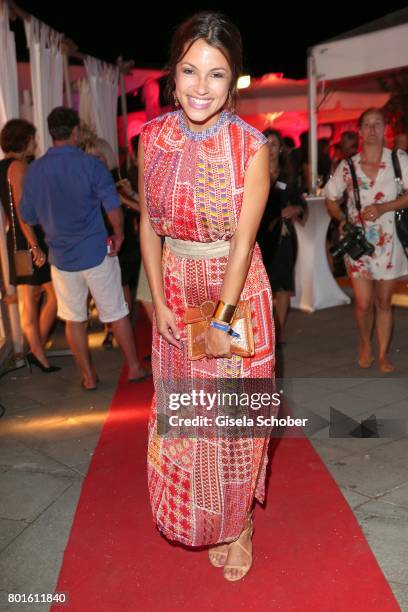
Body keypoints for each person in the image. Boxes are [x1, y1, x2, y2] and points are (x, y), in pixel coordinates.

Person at [139, 11, 274, 581]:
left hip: (235, 295)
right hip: (174, 286)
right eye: (190, 71)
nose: (201, 87)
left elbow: (243, 245)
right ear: (173, 75)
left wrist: (221, 319)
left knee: (233, 425)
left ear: (234, 80)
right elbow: (149, 223)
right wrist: (158, 301)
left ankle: (238, 522)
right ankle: (207, 517)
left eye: (216, 75)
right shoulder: (153, 138)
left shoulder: (252, 146)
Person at [19, 107, 148, 389]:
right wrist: (118, 233)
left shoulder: (36, 170)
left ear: (51, 133)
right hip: (96, 252)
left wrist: (45, 229)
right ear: (76, 131)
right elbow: (112, 205)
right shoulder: (91, 165)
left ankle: (88, 377)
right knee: (116, 312)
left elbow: (27, 215)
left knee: (74, 318)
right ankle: (135, 368)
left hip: (61, 258)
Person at [326, 108, 408, 373]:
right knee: (363, 303)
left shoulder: (398, 159)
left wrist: (386, 207)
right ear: (360, 131)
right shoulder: (348, 166)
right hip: (359, 244)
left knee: (384, 302)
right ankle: (365, 343)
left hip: (389, 242)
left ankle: (383, 354)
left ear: (385, 129)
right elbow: (330, 197)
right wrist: (341, 218)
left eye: (378, 124)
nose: (372, 129)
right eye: (367, 125)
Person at [0, 119, 59, 373]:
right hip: (28, 239)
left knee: (31, 299)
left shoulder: (3, 167)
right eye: (33, 138)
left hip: (16, 239)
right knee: (54, 296)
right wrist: (35, 245)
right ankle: (36, 351)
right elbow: (23, 210)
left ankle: (37, 351)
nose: (35, 143)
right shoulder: (19, 166)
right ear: (23, 141)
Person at [84, 137, 141, 347]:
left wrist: (123, 197)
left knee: (122, 283)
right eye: (90, 157)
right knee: (103, 288)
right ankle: (111, 328)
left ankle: (123, 325)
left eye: (98, 156)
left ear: (106, 156)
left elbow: (139, 208)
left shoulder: (118, 179)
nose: (95, 161)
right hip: (100, 238)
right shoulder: (89, 181)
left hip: (122, 237)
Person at [258, 129, 306, 346]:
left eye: (274, 145)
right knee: (263, 284)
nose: (270, 149)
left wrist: (295, 208)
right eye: (265, 144)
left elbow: (301, 203)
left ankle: (279, 332)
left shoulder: (288, 176)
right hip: (259, 237)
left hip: (283, 236)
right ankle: (264, 328)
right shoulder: (251, 172)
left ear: (280, 149)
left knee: (283, 285)